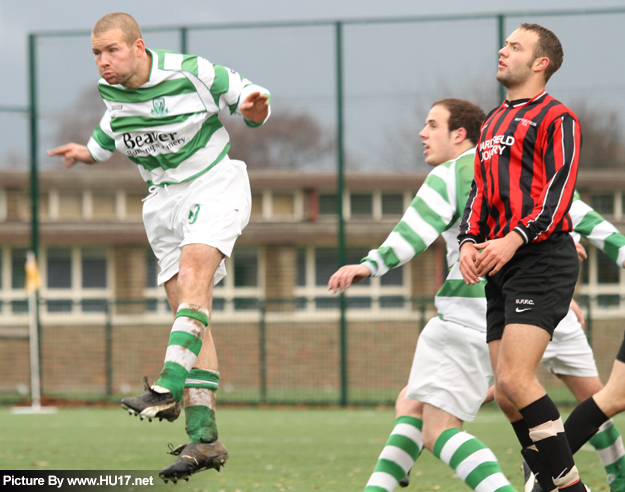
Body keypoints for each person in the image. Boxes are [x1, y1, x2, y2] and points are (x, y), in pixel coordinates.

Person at [47, 12, 270, 484]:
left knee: (193, 283)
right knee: (191, 312)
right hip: (162, 203)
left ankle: (166, 387)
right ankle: (204, 437)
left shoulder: (191, 70)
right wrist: (84, 153)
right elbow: (110, 131)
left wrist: (254, 108)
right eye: (95, 54)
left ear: (138, 46)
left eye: (111, 50)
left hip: (213, 185)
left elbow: (251, 99)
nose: (103, 62)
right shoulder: (113, 94)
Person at [330, 98, 518, 492]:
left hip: (465, 318)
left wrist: (369, 265)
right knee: (411, 404)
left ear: (459, 134)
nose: (422, 133)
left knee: (438, 431)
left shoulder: (452, 173)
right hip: (514, 316)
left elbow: (415, 230)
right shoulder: (508, 171)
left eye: (433, 124)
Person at [458, 23, 585, 492]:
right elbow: (479, 192)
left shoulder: (558, 118)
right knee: (508, 397)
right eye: (504, 43)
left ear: (540, 63)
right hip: (501, 265)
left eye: (515, 46)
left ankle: (568, 487)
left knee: (515, 379)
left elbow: (557, 196)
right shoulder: (491, 121)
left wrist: (514, 237)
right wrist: (468, 242)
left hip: (541, 257)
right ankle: (552, 481)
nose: (502, 50)